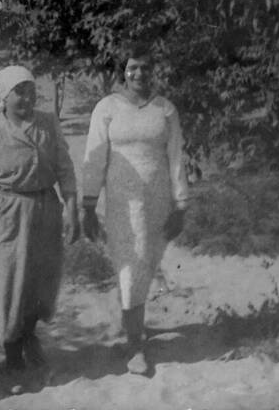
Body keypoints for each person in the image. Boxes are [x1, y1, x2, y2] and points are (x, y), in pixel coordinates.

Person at [0, 65, 78, 388]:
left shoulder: (47, 123)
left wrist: (71, 207)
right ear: (4, 95)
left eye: (31, 90)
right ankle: (12, 352)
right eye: (20, 92)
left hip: (46, 207)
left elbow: (64, 167)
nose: (28, 97)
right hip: (6, 210)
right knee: (10, 280)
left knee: (42, 278)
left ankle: (29, 335)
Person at [81, 43, 189, 375]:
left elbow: (175, 157)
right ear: (122, 72)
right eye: (132, 68)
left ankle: (133, 326)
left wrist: (181, 204)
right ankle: (135, 346)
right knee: (130, 265)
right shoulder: (107, 107)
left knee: (145, 264)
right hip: (122, 202)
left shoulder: (165, 109)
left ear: (153, 71)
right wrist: (88, 205)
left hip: (157, 200)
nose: (139, 73)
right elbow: (94, 157)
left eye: (145, 67)